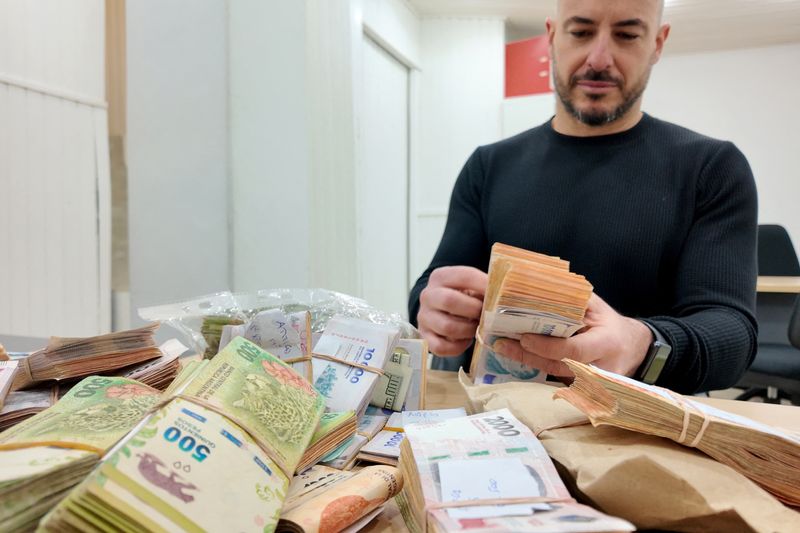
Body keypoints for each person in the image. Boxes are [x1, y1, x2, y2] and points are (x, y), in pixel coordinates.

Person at [408, 0, 758, 394]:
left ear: (658, 43)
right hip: (494, 420)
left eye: (627, 35)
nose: (599, 58)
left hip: (635, 431)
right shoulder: (489, 165)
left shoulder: (712, 168)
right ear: (553, 35)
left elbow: (732, 334)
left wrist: (640, 344)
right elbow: (433, 286)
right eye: (581, 32)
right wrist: (433, 306)